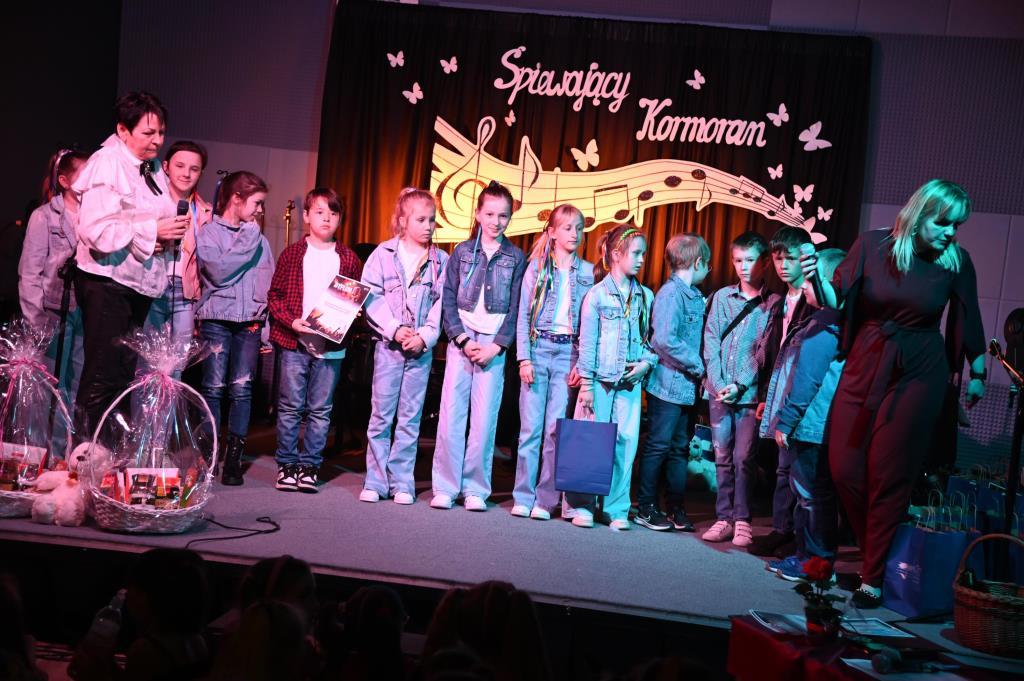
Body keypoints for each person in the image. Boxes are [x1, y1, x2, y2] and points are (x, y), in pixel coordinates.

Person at [800, 179, 985, 607]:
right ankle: (881, 554)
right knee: (844, 467)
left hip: (919, 370)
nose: (951, 233)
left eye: (957, 226)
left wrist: (976, 371)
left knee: (889, 473)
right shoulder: (872, 245)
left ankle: (873, 576)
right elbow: (836, 298)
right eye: (943, 223)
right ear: (920, 215)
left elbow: (968, 316)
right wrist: (814, 280)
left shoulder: (956, 260)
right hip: (867, 359)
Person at [72, 91, 186, 439]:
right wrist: (153, 231)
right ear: (123, 130)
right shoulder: (108, 163)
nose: (157, 141)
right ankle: (86, 454)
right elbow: (96, 231)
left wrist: (163, 234)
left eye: (161, 132)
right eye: (148, 133)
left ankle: (108, 454)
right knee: (102, 376)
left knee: (121, 376)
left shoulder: (150, 167)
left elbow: (147, 217)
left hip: (135, 283)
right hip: (108, 283)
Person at [431, 181, 526, 511]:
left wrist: (496, 347)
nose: (496, 222)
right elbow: (447, 299)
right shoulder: (461, 252)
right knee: (451, 417)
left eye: (503, 216)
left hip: (492, 345)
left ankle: (474, 488)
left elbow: (516, 308)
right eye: (490, 214)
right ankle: (445, 486)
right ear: (478, 214)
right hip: (463, 340)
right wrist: (461, 338)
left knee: (484, 422)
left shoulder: (515, 257)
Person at [759, 249, 847, 580]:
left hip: (811, 424)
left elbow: (808, 378)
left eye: (811, 280)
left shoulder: (825, 323)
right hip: (813, 423)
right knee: (809, 493)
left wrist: (787, 420)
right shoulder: (829, 320)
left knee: (811, 494)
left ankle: (816, 561)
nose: (804, 286)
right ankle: (806, 557)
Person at [268, 188, 362, 493]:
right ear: (307, 216)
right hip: (294, 341)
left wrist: (353, 313)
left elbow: (355, 299)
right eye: (320, 212)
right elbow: (275, 296)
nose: (327, 219)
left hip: (330, 346)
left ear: (340, 219)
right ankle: (286, 465)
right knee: (290, 406)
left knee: (321, 410)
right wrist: (291, 321)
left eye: (333, 213)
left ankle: (309, 466)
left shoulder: (347, 258)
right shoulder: (293, 254)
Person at [564, 224, 657, 530]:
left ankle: (616, 508)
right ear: (616, 254)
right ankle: (583, 505)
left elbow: (651, 342)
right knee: (591, 442)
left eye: (643, 253)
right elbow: (587, 343)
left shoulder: (645, 296)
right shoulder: (597, 295)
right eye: (636, 253)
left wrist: (646, 364)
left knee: (625, 444)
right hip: (599, 382)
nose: (641, 259)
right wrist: (586, 385)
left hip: (629, 384)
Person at [359, 188, 446, 504]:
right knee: (381, 416)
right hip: (389, 348)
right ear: (403, 220)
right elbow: (370, 297)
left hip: (420, 351)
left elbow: (442, 305)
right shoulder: (382, 255)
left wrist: (424, 336)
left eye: (432, 220)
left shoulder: (441, 261)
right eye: (421, 220)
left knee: (410, 418)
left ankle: (402, 482)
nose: (428, 226)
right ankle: (375, 480)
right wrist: (395, 330)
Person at [512, 204, 594, 520]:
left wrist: (581, 363)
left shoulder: (587, 273)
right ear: (552, 232)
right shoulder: (536, 269)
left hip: (566, 353)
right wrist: (524, 359)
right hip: (538, 348)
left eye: (579, 228)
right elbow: (523, 316)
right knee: (530, 430)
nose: (574, 234)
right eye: (567, 228)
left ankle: (545, 500)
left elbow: (589, 324)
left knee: (554, 430)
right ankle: (523, 495)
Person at [195, 171, 274, 486]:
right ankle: (210, 455)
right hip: (217, 319)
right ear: (236, 199)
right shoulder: (210, 233)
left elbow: (267, 284)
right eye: (256, 203)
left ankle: (233, 459)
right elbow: (217, 271)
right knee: (213, 388)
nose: (260, 211)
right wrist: (249, 237)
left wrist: (265, 329)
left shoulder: (261, 240)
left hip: (250, 323)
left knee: (242, 390)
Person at [701, 231, 778, 547]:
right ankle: (724, 517)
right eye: (738, 261)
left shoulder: (773, 304)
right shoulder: (722, 297)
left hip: (748, 395)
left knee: (744, 456)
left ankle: (743, 518)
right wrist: (720, 384)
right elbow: (710, 341)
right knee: (721, 455)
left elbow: (764, 351)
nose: (743, 267)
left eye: (750, 260)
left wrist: (740, 384)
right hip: (718, 392)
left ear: (764, 262)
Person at [748, 226, 816, 558]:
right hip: (778, 391)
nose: (783, 265)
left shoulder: (815, 301)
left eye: (790, 258)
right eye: (778, 259)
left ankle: (797, 536)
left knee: (799, 472)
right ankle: (781, 529)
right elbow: (774, 355)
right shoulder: (778, 304)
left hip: (803, 393)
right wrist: (766, 397)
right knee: (781, 467)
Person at [634, 233, 710, 532]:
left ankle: (676, 506)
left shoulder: (694, 296)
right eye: (707, 264)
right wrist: (698, 365)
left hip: (687, 389)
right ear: (698, 262)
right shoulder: (670, 294)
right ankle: (646, 506)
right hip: (666, 387)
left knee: (680, 449)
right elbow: (664, 339)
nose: (709, 269)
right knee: (658, 446)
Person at [18, 149, 90, 434]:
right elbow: (30, 271)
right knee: (45, 384)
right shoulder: (44, 216)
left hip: (84, 311)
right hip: (51, 312)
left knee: (74, 385)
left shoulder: (95, 218)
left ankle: (61, 449)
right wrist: (35, 320)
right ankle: (37, 451)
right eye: (84, 175)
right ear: (64, 181)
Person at [140, 141, 212, 377]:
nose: (186, 173)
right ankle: (144, 404)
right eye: (180, 166)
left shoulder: (205, 212)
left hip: (184, 292)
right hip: (152, 287)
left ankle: (169, 404)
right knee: (147, 363)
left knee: (177, 365)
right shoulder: (149, 203)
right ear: (166, 166)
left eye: (194, 169)